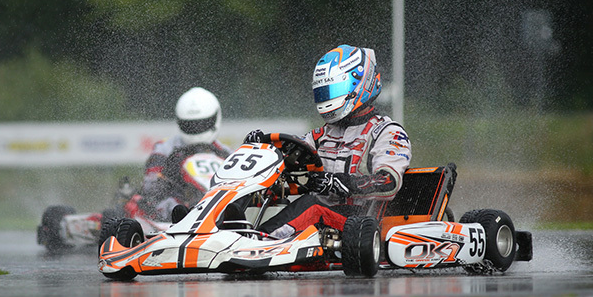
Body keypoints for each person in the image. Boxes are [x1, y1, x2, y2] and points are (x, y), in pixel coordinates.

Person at [246, 44, 411, 238]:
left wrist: (338, 183)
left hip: (361, 224)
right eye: (324, 93)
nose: (327, 99)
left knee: (312, 206)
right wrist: (262, 147)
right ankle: (227, 230)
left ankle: (259, 241)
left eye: (333, 90)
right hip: (326, 222)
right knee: (267, 192)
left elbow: (388, 181)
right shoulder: (322, 135)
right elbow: (292, 151)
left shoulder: (387, 132)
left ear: (359, 84)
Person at [125, 87, 231, 221]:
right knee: (136, 204)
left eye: (202, 124)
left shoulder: (226, 153)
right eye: (190, 125)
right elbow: (151, 186)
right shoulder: (164, 149)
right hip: (173, 213)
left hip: (217, 208)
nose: (196, 129)